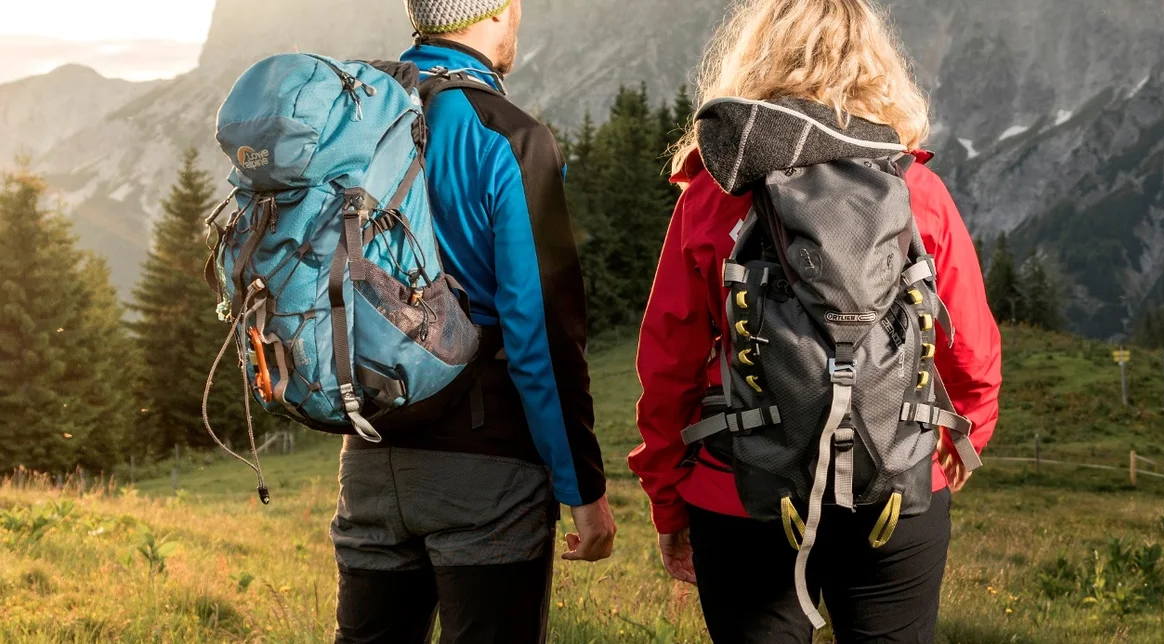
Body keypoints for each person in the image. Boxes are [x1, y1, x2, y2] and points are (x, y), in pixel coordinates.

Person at [626, 0, 1002, 641]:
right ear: (876, 65)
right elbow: (970, 345)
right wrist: (964, 435)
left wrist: (668, 494)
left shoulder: (716, 193)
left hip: (742, 489)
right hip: (895, 483)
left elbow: (667, 362)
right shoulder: (917, 190)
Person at [329, 1, 616, 641]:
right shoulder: (505, 134)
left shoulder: (358, 119)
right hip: (484, 467)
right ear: (500, 11)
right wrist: (583, 488)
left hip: (370, 457)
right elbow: (540, 330)